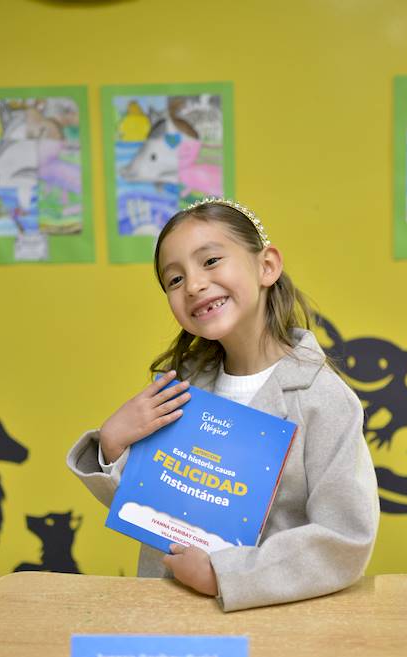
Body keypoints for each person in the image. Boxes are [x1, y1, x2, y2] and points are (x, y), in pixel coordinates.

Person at [67, 198, 379, 612]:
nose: (193, 285)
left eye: (211, 261)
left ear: (267, 266)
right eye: (174, 279)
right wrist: (111, 445)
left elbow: (344, 538)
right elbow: (153, 509)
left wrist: (225, 574)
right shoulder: (181, 387)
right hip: (170, 617)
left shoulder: (325, 401)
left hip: (274, 623)